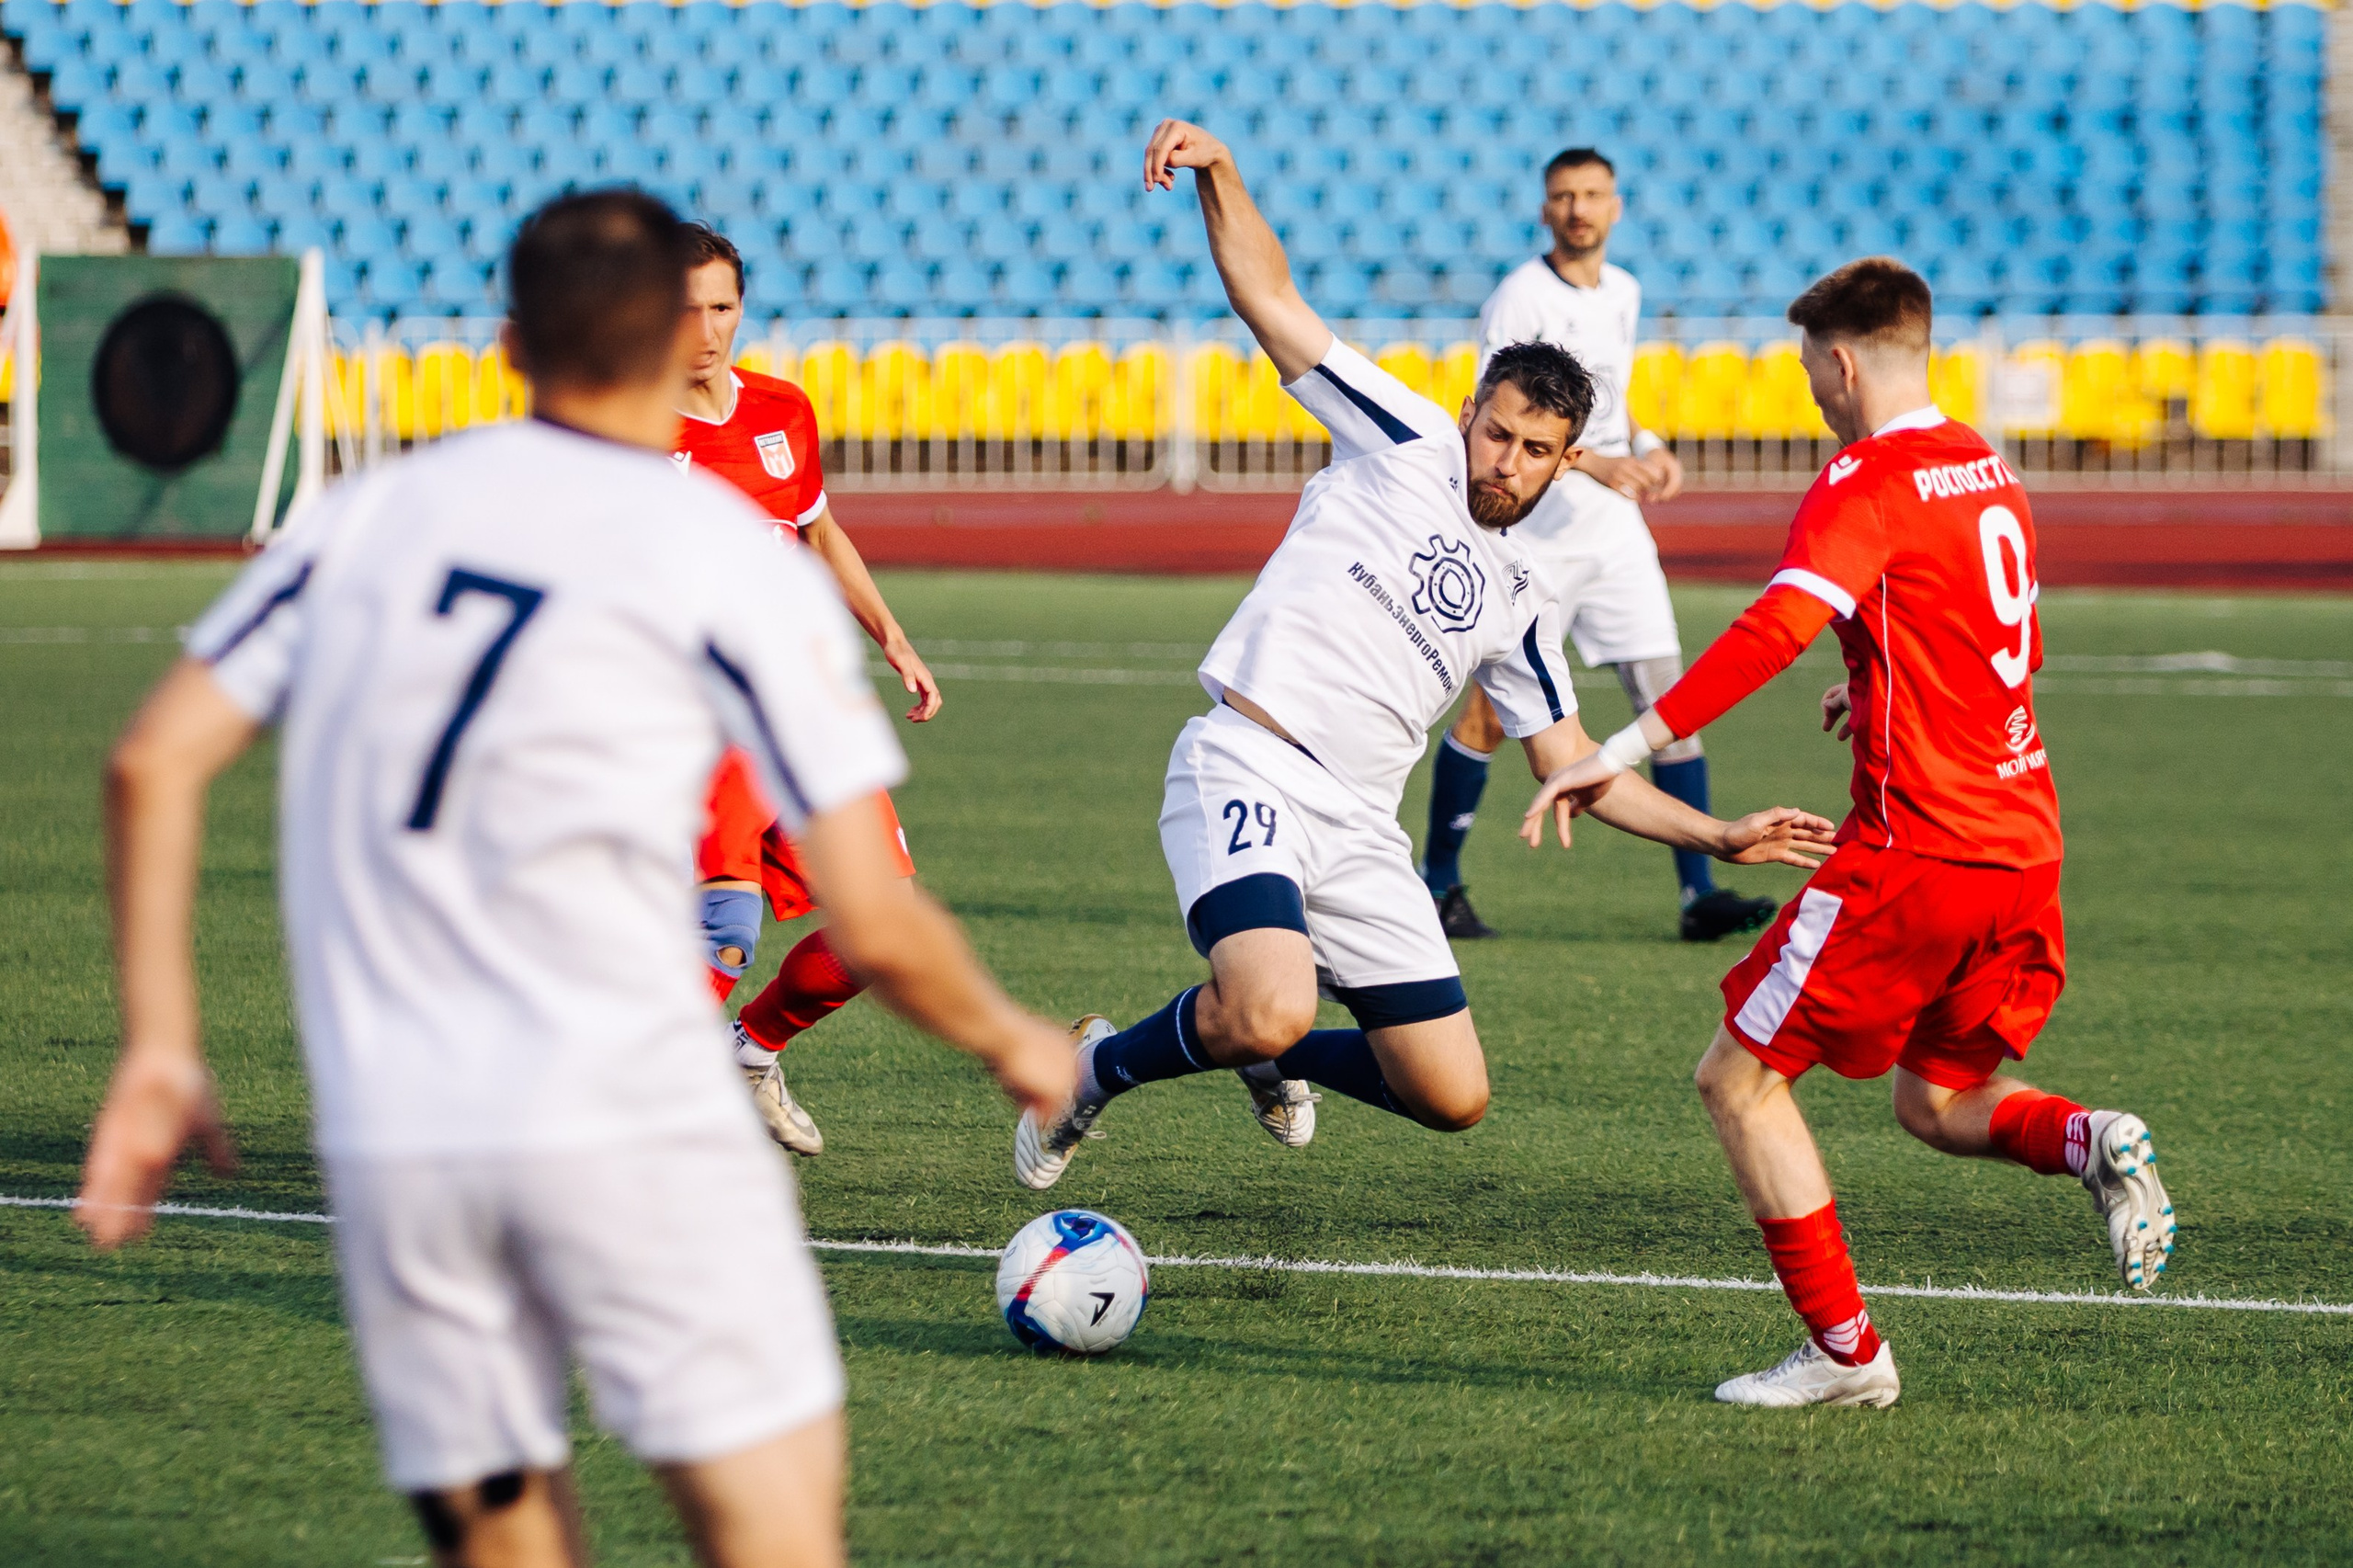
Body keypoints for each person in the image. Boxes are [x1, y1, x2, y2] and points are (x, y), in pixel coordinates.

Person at [75, 189, 1073, 1568]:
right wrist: (1017, 1038)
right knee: (770, 1522)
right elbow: (884, 923)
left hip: (410, 1132)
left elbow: (151, 762)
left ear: (504, 344)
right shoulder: (721, 559)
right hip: (627, 1111)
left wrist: (162, 1044)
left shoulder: (366, 519)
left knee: (504, 1530)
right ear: (673, 345)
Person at [1011, 120, 1839, 1192]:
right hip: (1248, 766)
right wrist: (1221, 173)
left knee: (1450, 1093)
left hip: (1360, 826)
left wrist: (1717, 833)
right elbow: (1271, 298)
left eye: (1535, 450)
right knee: (1270, 995)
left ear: (1563, 464)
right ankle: (1088, 1068)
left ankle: (1259, 1049)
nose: (1505, 461)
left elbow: (1571, 760)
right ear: (1467, 414)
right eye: (1495, 432)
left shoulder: (1523, 602)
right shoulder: (1401, 435)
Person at [1522, 257, 2177, 1410]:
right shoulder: (1982, 461)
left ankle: (1843, 1353)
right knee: (1932, 1102)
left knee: (1738, 1080)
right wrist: (1872, 685)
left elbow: (1771, 628)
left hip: (1916, 851)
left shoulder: (1859, 478)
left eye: (1810, 372)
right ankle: (2090, 1137)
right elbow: (1983, 630)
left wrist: (1610, 752)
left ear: (1839, 360)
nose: (1814, 395)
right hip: (2025, 845)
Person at [1423, 148, 1777, 946]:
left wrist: (1649, 444)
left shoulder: (1623, 291)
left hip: (1614, 533)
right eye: (1562, 196)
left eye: (1591, 194)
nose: (1578, 208)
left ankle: (1698, 894)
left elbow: (1613, 397)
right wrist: (1597, 461)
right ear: (1544, 209)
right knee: (1489, 713)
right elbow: (1497, 417)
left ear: (1616, 205)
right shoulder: (1520, 295)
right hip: (1536, 534)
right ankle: (1437, 881)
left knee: (1670, 701)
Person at [674, 222, 943, 1157]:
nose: (706, 329)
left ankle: (750, 1049)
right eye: (684, 309)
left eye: (722, 306)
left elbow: (820, 531)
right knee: (721, 929)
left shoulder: (782, 411)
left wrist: (891, 634)